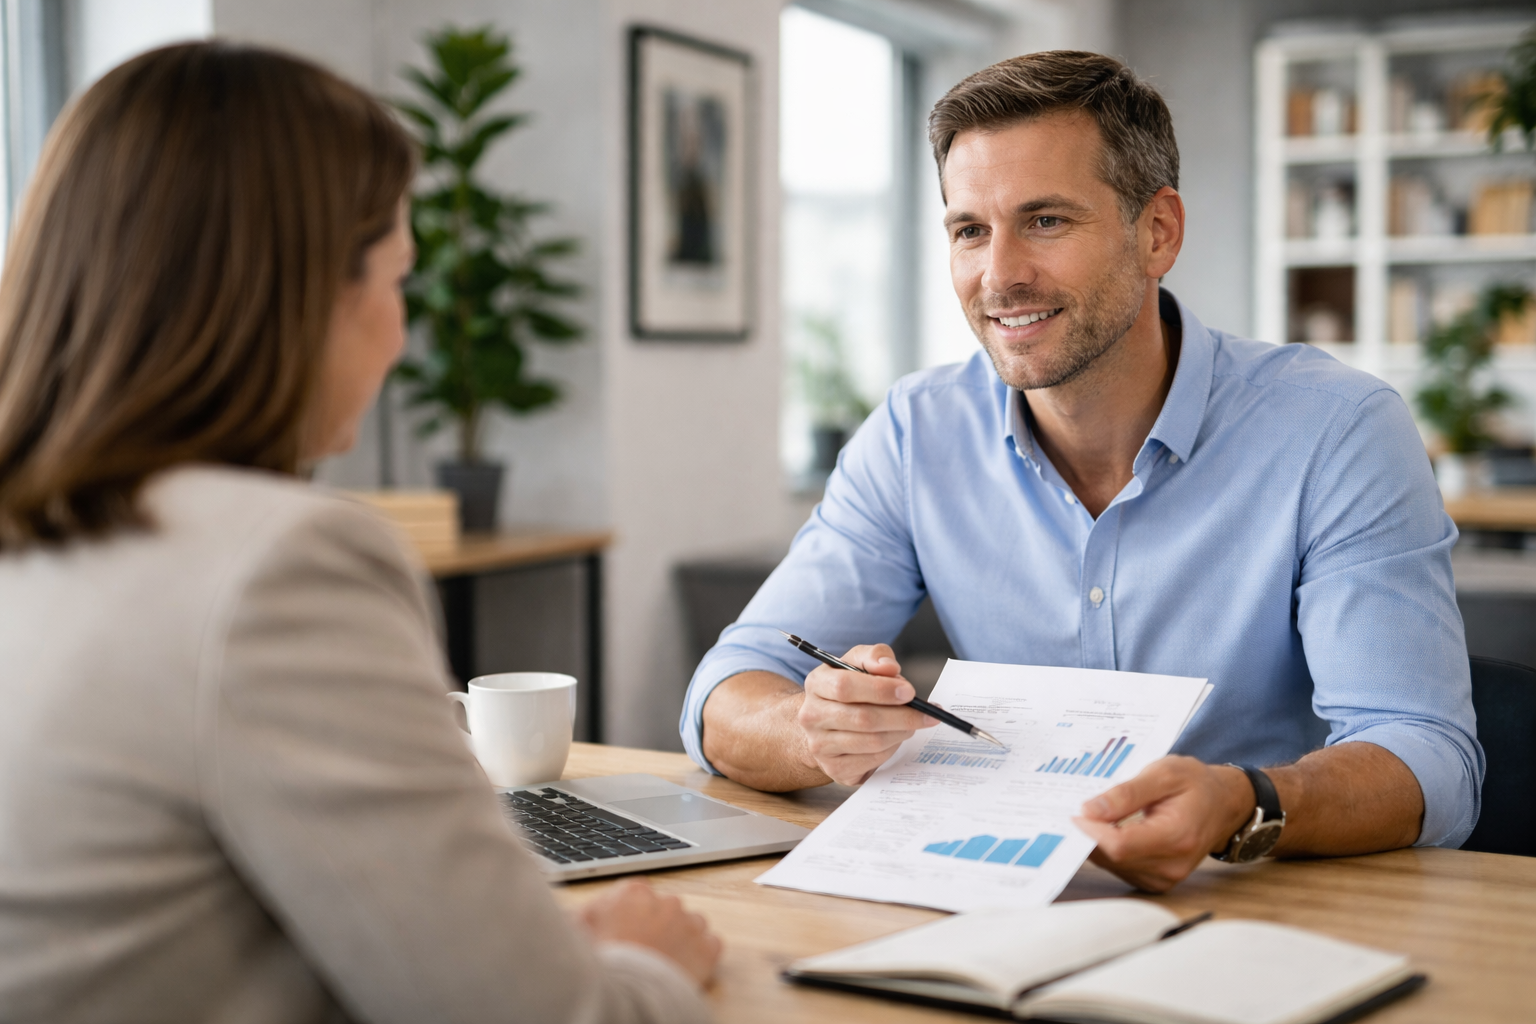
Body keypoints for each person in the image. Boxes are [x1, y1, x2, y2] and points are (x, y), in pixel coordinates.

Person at [0, 43, 718, 1023]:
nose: (398, 331)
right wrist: (648, 965)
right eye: (394, 280)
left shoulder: (39, 540)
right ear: (296, 297)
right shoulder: (278, 567)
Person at [682, 51, 1482, 893]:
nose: (999, 276)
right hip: (999, 902)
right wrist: (812, 729)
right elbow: (721, 694)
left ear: (1158, 233)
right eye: (969, 231)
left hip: (1257, 903)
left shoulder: (1337, 430)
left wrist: (1241, 801)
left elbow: (1426, 759)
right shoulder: (917, 432)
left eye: (1047, 221)